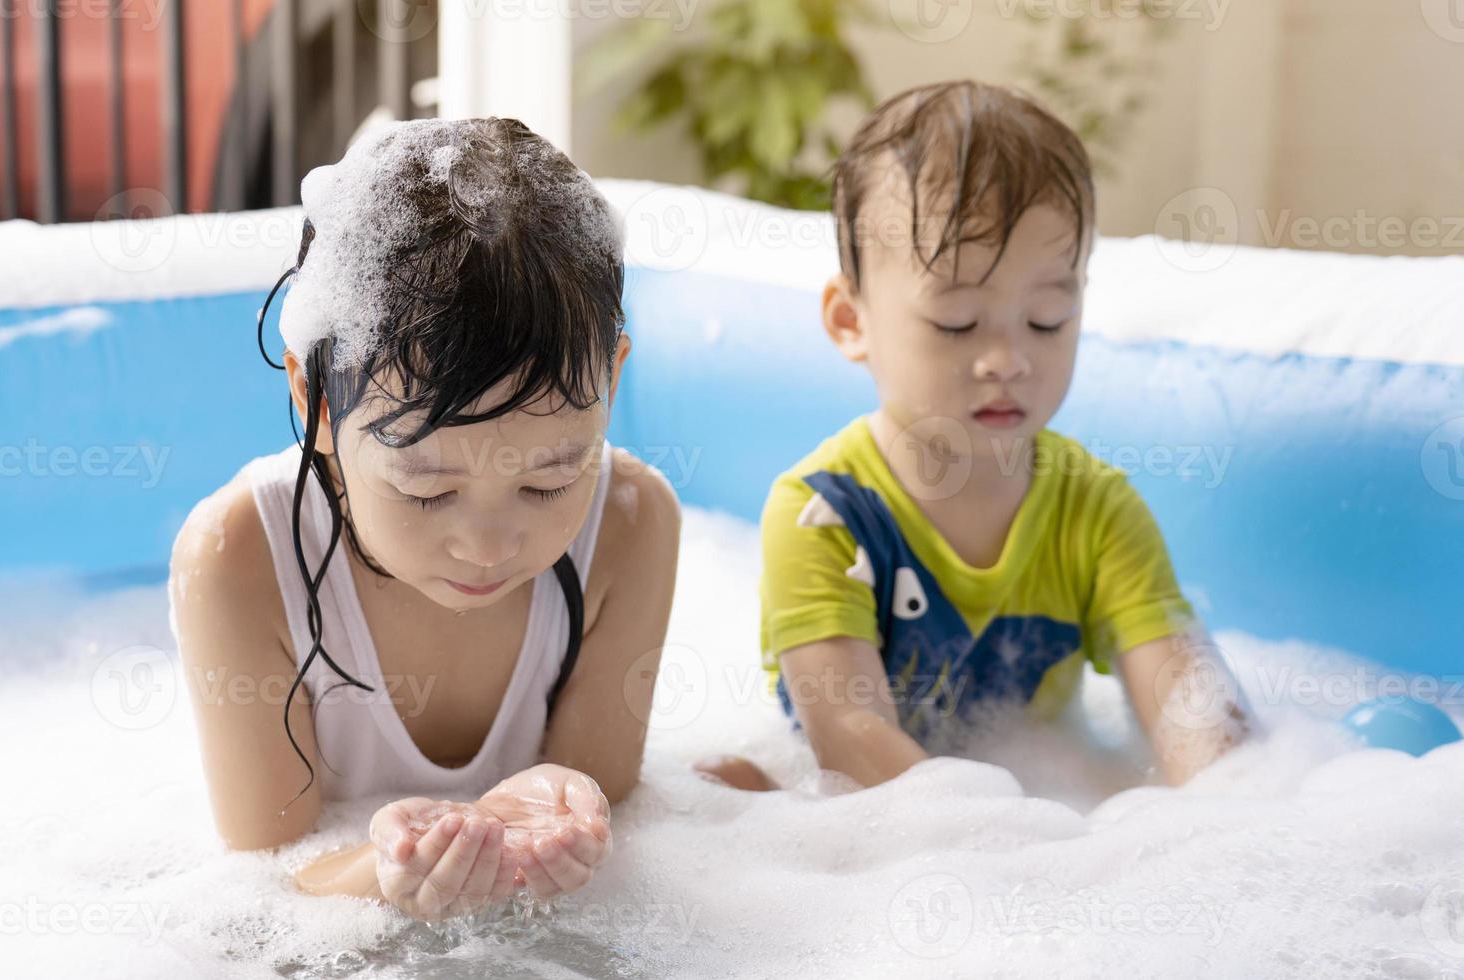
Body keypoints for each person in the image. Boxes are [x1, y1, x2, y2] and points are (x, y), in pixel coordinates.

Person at [169, 117, 681, 921]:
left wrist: (565, 806)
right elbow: (260, 885)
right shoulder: (239, 558)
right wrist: (383, 871)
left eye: (549, 480)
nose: (487, 544)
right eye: (425, 489)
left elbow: (609, 802)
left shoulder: (629, 523)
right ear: (314, 400)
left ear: (611, 384)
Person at [696, 80, 1247, 794]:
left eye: (1047, 318)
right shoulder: (823, 516)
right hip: (864, 815)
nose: (1008, 359)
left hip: (1030, 799)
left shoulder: (1097, 511)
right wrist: (1006, 840)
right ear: (849, 320)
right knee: (721, 786)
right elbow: (850, 740)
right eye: (957, 322)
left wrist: (1227, 804)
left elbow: (1190, 708)